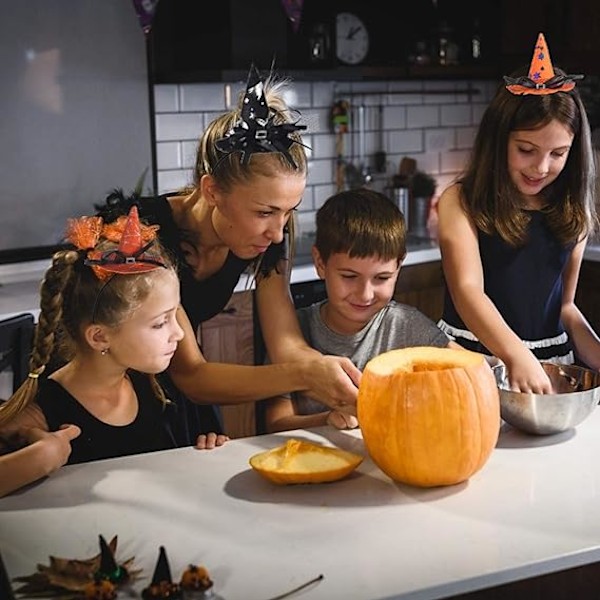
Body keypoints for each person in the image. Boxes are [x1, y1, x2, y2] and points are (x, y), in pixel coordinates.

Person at [94, 66, 361, 438]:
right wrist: (304, 376)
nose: (278, 231)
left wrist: (328, 373)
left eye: (289, 211)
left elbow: (286, 343)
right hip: (108, 400)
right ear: (212, 190)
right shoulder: (138, 233)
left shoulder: (268, 237)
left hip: (180, 399)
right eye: (265, 212)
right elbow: (192, 374)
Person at [0, 206, 227, 498]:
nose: (179, 334)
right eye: (160, 323)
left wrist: (203, 453)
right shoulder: (41, 414)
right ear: (99, 337)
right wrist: (40, 457)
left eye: (175, 316)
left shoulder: (159, 387)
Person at [436, 32, 600, 394]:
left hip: (548, 363)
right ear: (499, 141)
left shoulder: (573, 212)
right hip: (474, 359)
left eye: (558, 154)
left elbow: (566, 307)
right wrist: (514, 356)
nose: (541, 167)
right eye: (526, 150)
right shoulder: (460, 202)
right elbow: (468, 291)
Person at [264, 188, 456, 433]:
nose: (365, 294)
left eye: (382, 278)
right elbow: (276, 424)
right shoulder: (291, 333)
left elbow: (467, 373)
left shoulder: (409, 326)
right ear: (320, 263)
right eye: (349, 276)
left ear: (399, 266)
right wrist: (327, 420)